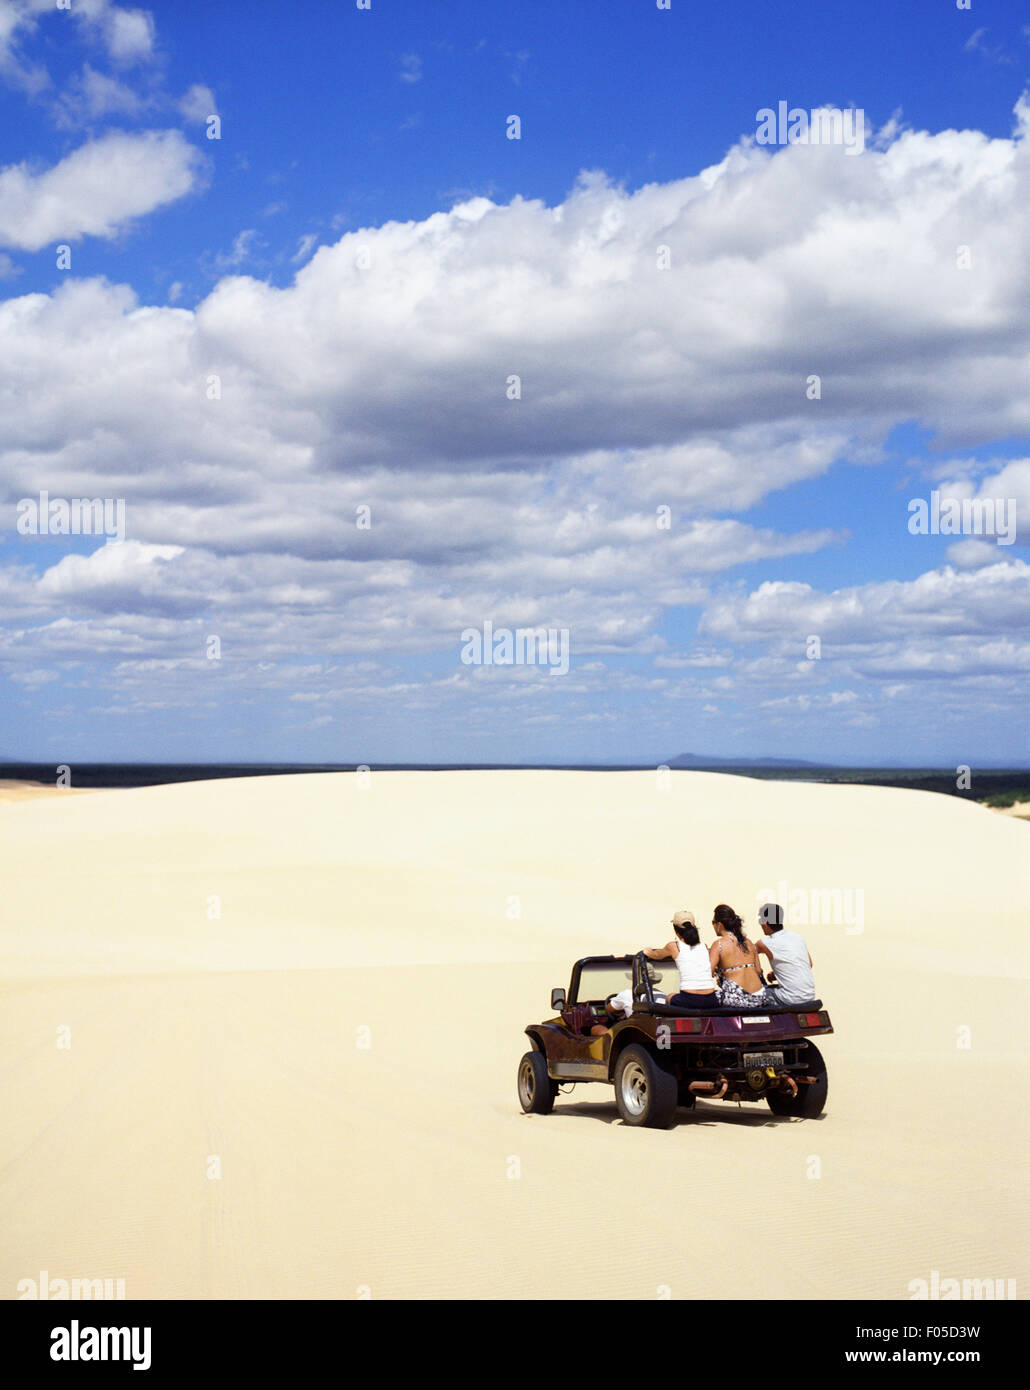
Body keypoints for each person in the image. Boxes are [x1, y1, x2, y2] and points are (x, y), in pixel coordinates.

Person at [644, 910, 719, 1008]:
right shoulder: (704, 946)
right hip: (710, 999)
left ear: (675, 930)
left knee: (669, 997)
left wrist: (647, 951)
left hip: (689, 999)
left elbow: (656, 955)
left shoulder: (674, 946)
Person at [709, 903, 771, 1009]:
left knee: (706, 999)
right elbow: (758, 971)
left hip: (737, 999)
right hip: (760, 997)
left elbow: (707, 974)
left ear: (719, 925)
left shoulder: (719, 944)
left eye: (713, 923)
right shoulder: (749, 943)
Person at [754, 902, 815, 1006]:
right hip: (809, 996)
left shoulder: (763, 943)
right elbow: (809, 964)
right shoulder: (797, 937)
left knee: (752, 995)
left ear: (765, 923)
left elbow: (746, 954)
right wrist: (777, 973)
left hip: (789, 998)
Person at [589, 964, 666, 1035]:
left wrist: (621, 1012)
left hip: (637, 1033)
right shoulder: (662, 995)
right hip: (660, 1031)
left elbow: (608, 1010)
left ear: (635, 979)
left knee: (597, 1028)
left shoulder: (626, 994)